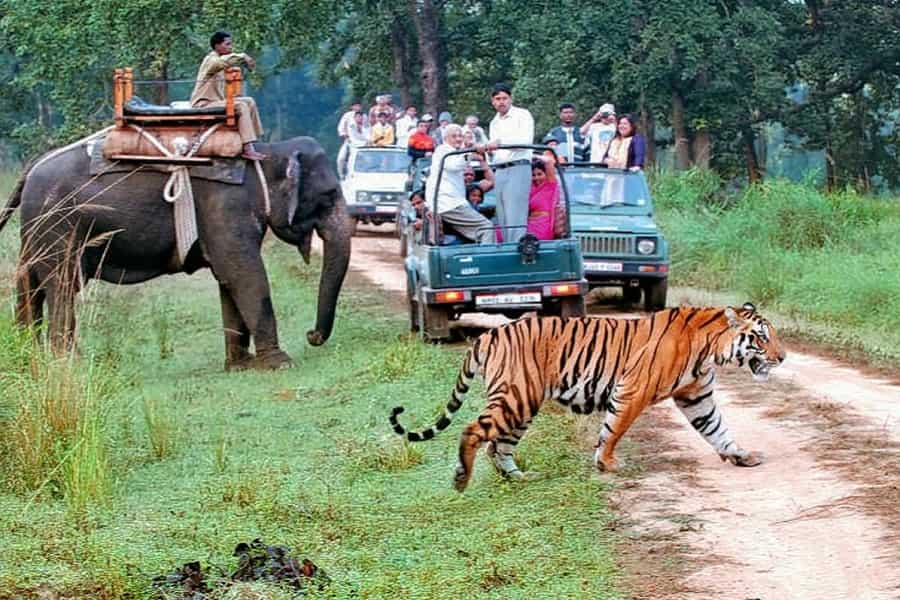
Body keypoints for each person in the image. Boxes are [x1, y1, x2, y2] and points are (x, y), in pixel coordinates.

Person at [190, 31, 265, 160]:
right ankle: (248, 148)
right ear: (217, 46)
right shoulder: (211, 60)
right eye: (227, 44)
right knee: (241, 105)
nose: (231, 47)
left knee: (249, 101)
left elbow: (228, 64)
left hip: (216, 101)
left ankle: (253, 139)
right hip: (204, 103)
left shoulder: (220, 59)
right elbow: (221, 63)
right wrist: (242, 56)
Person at [478, 82, 534, 242]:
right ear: (492, 101)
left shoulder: (522, 115)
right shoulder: (494, 122)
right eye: (498, 98)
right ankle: (508, 248)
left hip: (518, 166)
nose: (501, 102)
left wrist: (500, 142)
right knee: (502, 214)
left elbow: (525, 140)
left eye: (504, 98)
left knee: (515, 213)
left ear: (511, 99)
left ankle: (517, 249)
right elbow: (495, 151)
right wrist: (486, 150)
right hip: (500, 169)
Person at [426, 124, 494, 244]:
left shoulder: (456, 153)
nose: (458, 139)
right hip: (449, 204)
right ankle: (486, 260)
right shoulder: (444, 150)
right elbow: (454, 165)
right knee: (486, 227)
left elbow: (490, 181)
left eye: (460, 136)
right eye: (454, 136)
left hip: (452, 204)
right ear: (445, 138)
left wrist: (478, 155)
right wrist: (471, 154)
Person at [526, 156, 560, 240]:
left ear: (546, 174)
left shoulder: (550, 185)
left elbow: (549, 161)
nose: (536, 177)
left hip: (542, 226)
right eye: (533, 175)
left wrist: (531, 155)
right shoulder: (531, 188)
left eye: (539, 174)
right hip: (528, 224)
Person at [337, 101, 365, 175]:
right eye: (355, 106)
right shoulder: (347, 116)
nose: (357, 107)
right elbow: (341, 127)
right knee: (341, 158)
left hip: (362, 142)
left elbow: (367, 129)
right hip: (349, 141)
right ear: (352, 107)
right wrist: (345, 135)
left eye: (359, 106)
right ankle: (342, 175)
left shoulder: (364, 116)